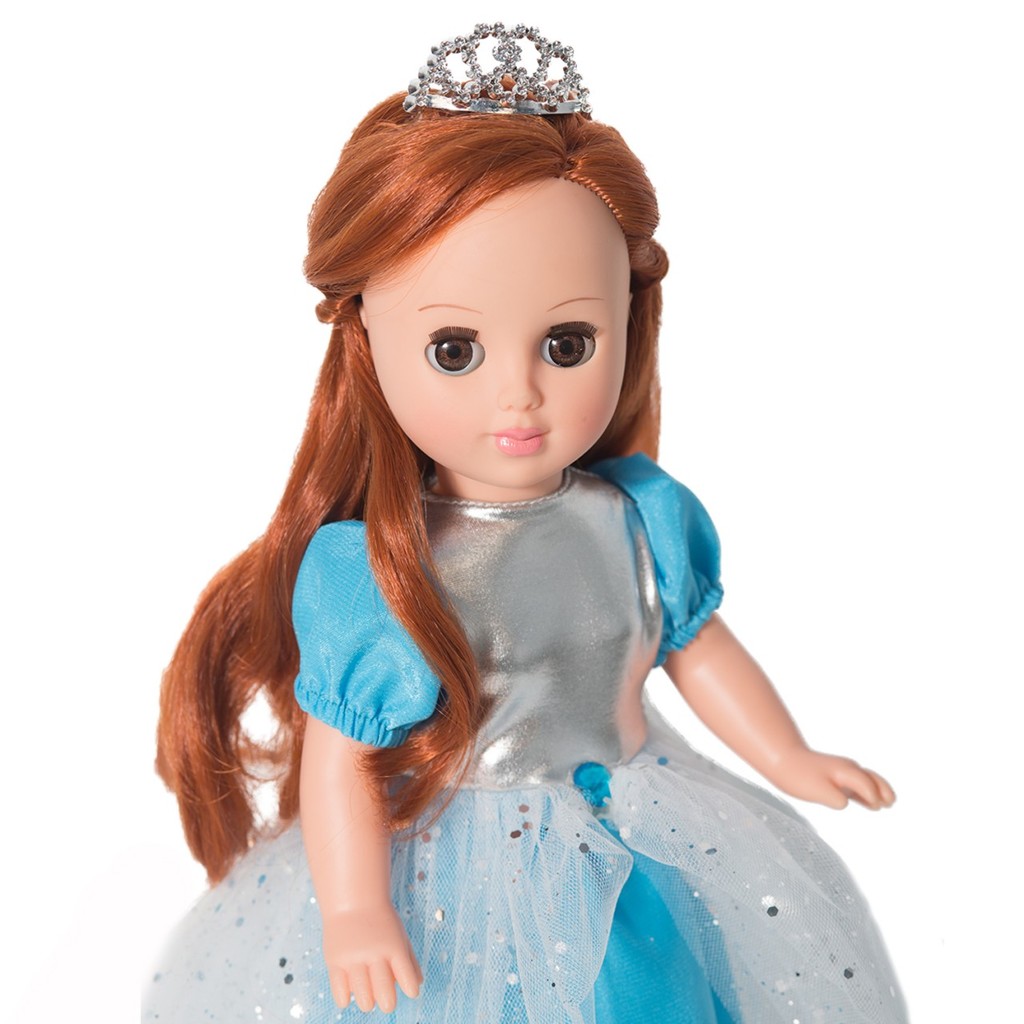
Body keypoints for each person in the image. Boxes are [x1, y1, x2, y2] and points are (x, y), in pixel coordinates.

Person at [148, 24, 905, 1024]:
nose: (520, 393)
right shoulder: (383, 566)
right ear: (368, 338)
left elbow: (697, 646)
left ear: (628, 320)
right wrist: (357, 907)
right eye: (455, 350)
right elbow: (342, 757)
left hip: (624, 841)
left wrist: (787, 755)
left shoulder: (638, 519)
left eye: (567, 342)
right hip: (454, 880)